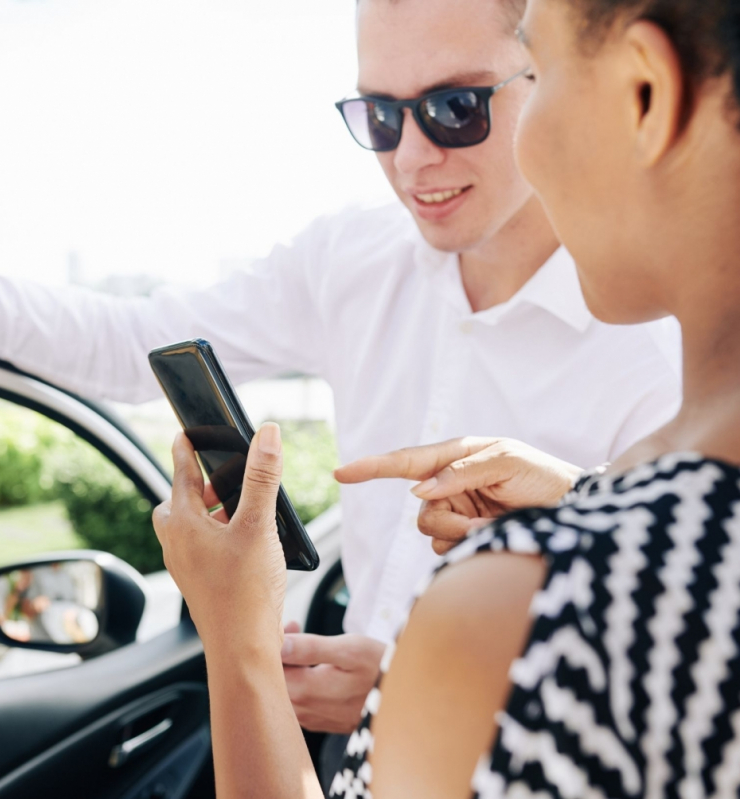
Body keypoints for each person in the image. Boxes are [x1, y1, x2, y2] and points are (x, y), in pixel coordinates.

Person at [0, 0, 680, 752]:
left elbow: (663, 677)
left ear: (550, 75)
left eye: (455, 108)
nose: (411, 158)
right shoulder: (351, 259)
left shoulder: (659, 350)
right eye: (380, 116)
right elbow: (129, 339)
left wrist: (403, 692)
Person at [151, 0, 740, 794]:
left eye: (548, 70)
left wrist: (236, 640)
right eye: (382, 115)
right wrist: (586, 496)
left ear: (645, 92)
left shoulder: (535, 602)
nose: (412, 159)